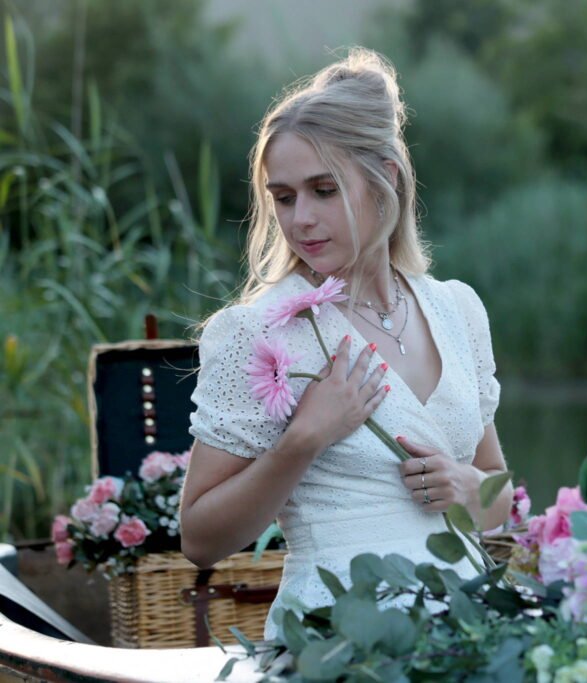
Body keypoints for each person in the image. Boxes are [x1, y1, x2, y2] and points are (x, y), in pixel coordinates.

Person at [179, 48, 512, 639]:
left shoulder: (456, 310)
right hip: (339, 637)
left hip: (471, 625)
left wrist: (466, 488)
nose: (300, 219)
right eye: (284, 198)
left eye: (324, 190)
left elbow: (498, 497)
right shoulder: (260, 332)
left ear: (386, 178)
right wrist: (302, 440)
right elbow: (200, 539)